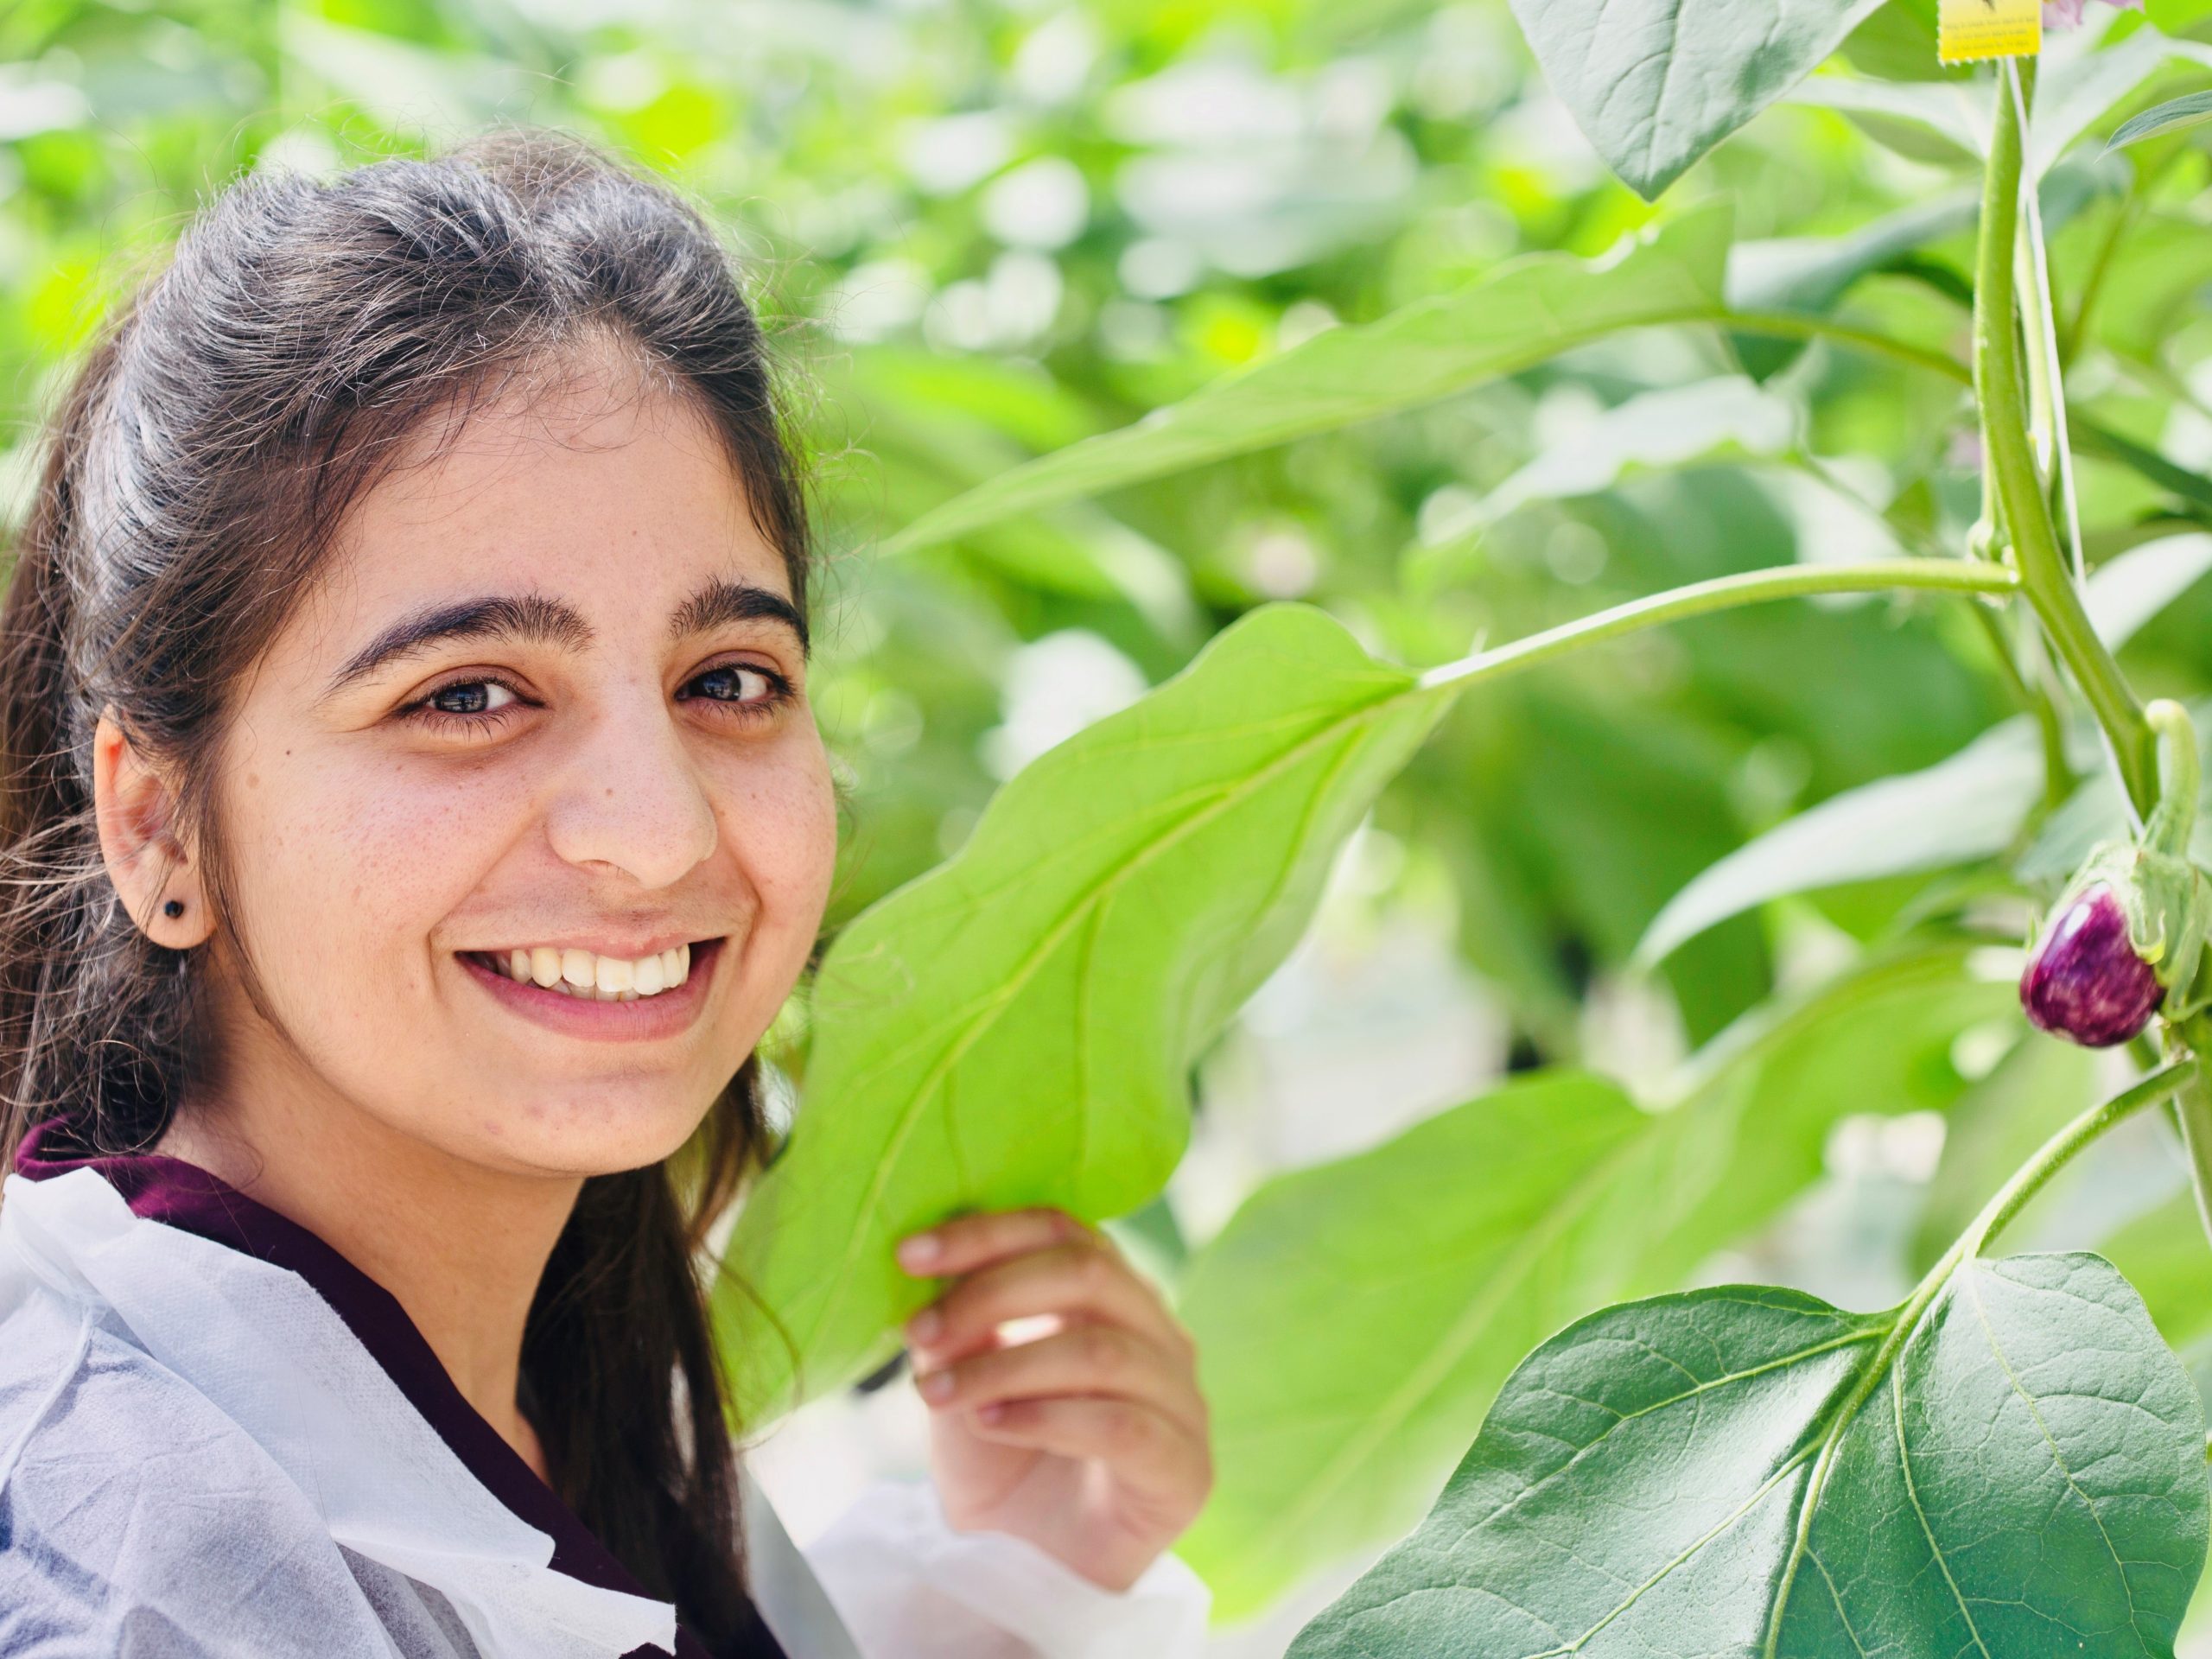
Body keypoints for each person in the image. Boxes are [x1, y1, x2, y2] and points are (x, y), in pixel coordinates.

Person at [0, 130, 1214, 1658]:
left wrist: (1015, 1585)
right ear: (157, 824)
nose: (656, 834)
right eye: (468, 696)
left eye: (727, 678)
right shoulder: (107, 1540)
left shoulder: (549, 1402)